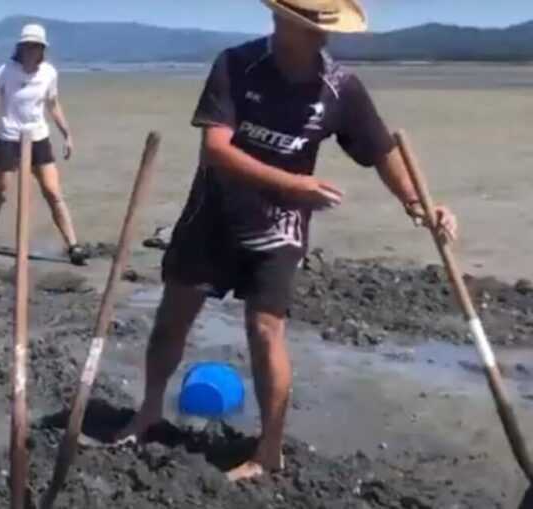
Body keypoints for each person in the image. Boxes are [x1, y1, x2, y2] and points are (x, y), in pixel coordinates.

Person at [116, 0, 459, 482]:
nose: (323, 36)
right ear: (281, 20)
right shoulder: (236, 65)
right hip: (211, 217)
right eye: (312, 26)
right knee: (173, 317)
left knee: (265, 330)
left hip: (279, 228)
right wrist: (292, 184)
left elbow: (381, 151)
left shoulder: (340, 87)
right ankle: (148, 414)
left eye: (326, 28)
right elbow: (215, 150)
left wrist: (418, 205)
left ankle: (268, 450)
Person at [0, 23, 88, 266]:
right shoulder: (6, 71)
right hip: (8, 137)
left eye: (36, 46)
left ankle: (73, 245)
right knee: (0, 193)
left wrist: (67, 135)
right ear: (20, 47)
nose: (31, 50)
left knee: (53, 192)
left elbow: (53, 104)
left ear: (42, 49)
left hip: (38, 137)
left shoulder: (49, 72)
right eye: (28, 46)